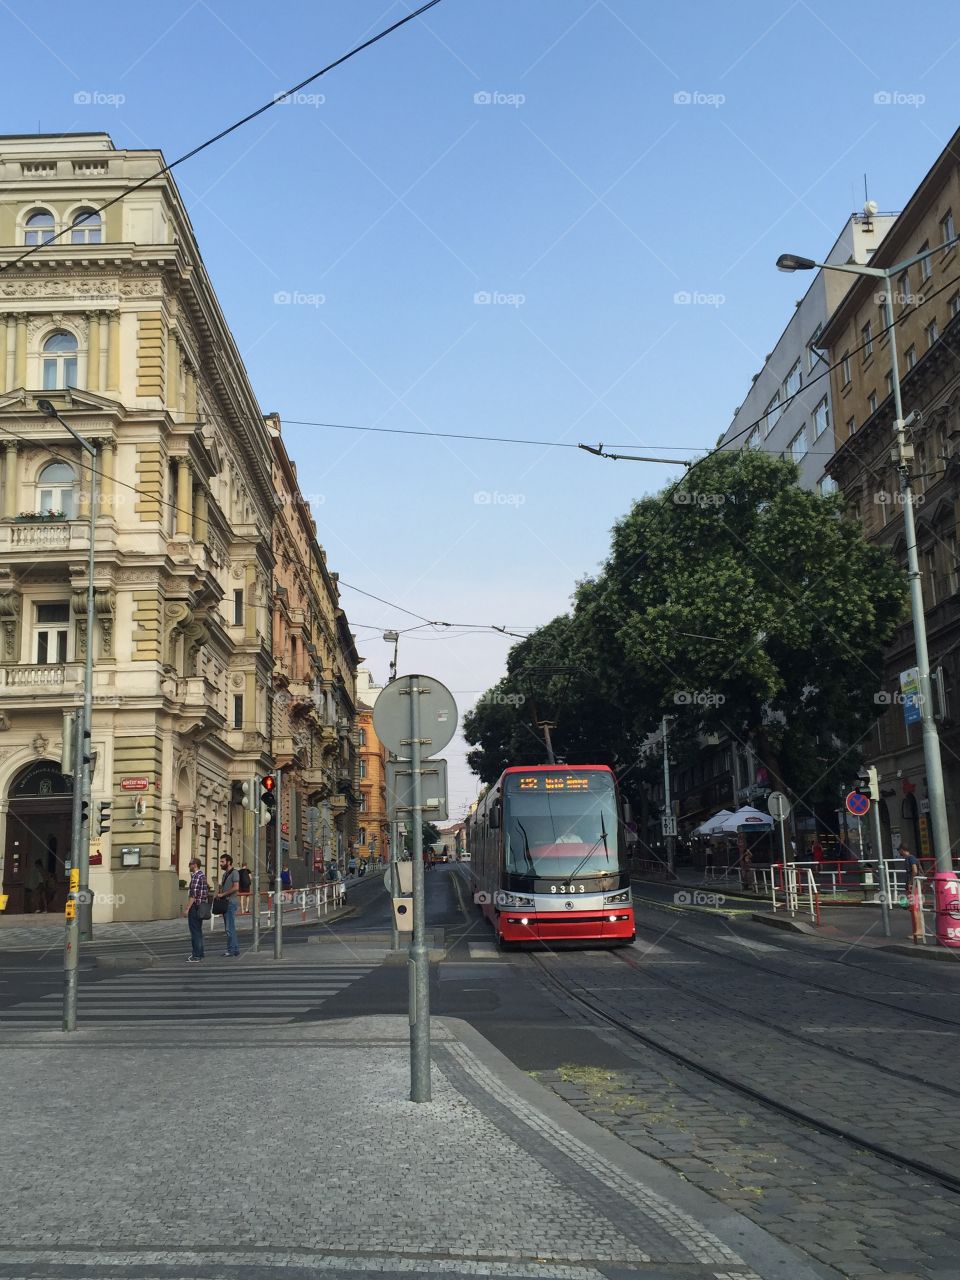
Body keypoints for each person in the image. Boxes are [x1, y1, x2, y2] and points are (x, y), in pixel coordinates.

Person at [214, 853, 241, 957]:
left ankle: (231, 950)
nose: (220, 864)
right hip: (225, 902)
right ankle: (235, 949)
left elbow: (236, 887)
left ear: (228, 862)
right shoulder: (225, 874)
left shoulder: (235, 873)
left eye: (222, 862)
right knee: (230, 927)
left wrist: (223, 894)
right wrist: (219, 894)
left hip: (231, 902)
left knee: (229, 928)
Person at [186, 857, 210, 962]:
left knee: (195, 931)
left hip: (195, 907)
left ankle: (196, 955)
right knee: (198, 931)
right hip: (201, 906)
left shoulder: (196, 876)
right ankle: (200, 953)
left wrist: (187, 908)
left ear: (195, 865)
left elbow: (193, 895)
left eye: (190, 864)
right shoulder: (203, 876)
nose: (189, 866)